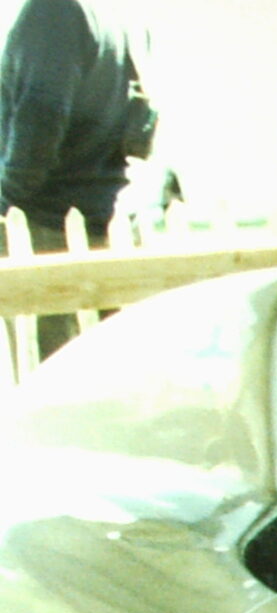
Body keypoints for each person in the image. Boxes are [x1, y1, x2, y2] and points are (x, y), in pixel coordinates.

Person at [0, 0, 143, 359]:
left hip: (45, 233)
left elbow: (41, 117)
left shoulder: (53, 9)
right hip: (105, 225)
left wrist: (3, 200)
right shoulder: (112, 11)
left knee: (53, 379)